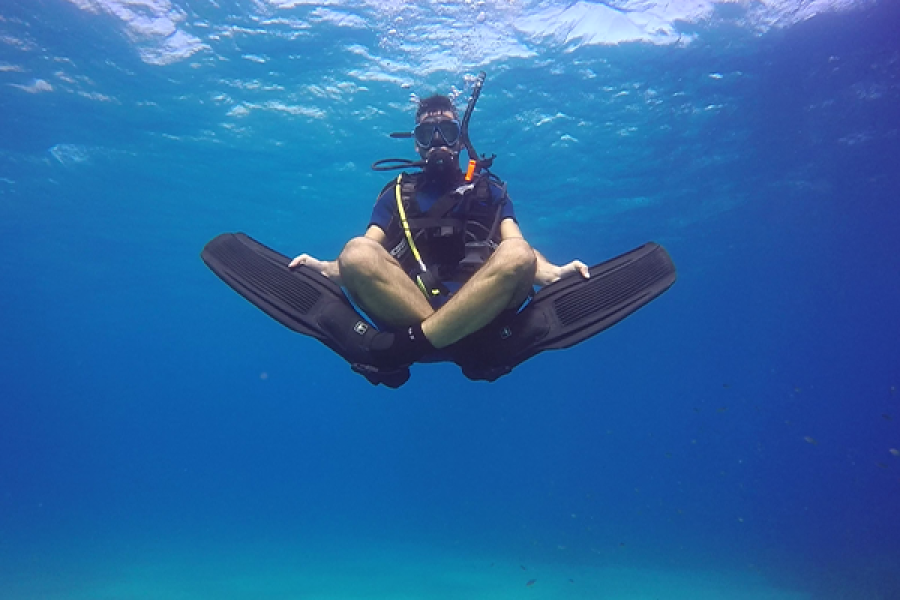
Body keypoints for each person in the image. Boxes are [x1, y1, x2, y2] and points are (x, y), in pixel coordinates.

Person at [287, 93, 590, 371]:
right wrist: (325, 268)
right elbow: (364, 254)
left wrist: (550, 273)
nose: (437, 142)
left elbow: (518, 249)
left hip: (443, 330)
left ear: (460, 139)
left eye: (447, 131)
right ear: (416, 143)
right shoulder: (396, 193)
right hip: (423, 317)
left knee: (519, 253)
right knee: (355, 251)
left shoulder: (491, 191)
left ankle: (402, 350)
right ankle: (470, 352)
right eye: (426, 134)